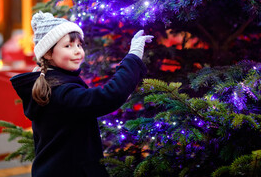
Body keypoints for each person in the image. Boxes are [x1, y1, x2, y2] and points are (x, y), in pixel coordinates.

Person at [10, 11, 153, 177]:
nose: (77, 51)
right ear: (48, 54)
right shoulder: (61, 92)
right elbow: (108, 97)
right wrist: (133, 57)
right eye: (68, 46)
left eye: (79, 45)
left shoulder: (51, 82)